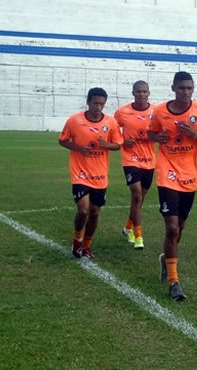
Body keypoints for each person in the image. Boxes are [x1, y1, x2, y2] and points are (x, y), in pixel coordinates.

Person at [147, 71, 197, 301]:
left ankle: (166, 260)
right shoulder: (159, 111)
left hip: (189, 177)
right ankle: (174, 282)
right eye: (181, 88)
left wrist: (195, 135)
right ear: (173, 88)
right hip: (166, 174)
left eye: (189, 88)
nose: (185, 92)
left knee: (180, 226)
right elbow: (151, 133)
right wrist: (157, 139)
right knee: (172, 227)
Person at [59, 87, 122, 259]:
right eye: (95, 103)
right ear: (88, 102)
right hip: (80, 173)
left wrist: (105, 145)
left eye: (102, 104)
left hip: (100, 176)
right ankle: (77, 240)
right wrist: (79, 148)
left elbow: (117, 144)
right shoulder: (75, 120)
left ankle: (87, 245)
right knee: (83, 210)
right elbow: (62, 140)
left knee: (94, 212)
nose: (98, 107)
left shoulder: (110, 122)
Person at [114, 80, 155, 249]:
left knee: (139, 199)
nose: (142, 94)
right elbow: (113, 130)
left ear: (148, 93)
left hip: (149, 161)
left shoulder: (155, 111)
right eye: (138, 91)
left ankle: (127, 227)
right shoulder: (122, 112)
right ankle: (138, 236)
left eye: (145, 91)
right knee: (137, 195)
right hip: (131, 159)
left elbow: (160, 130)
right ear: (133, 93)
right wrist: (123, 140)